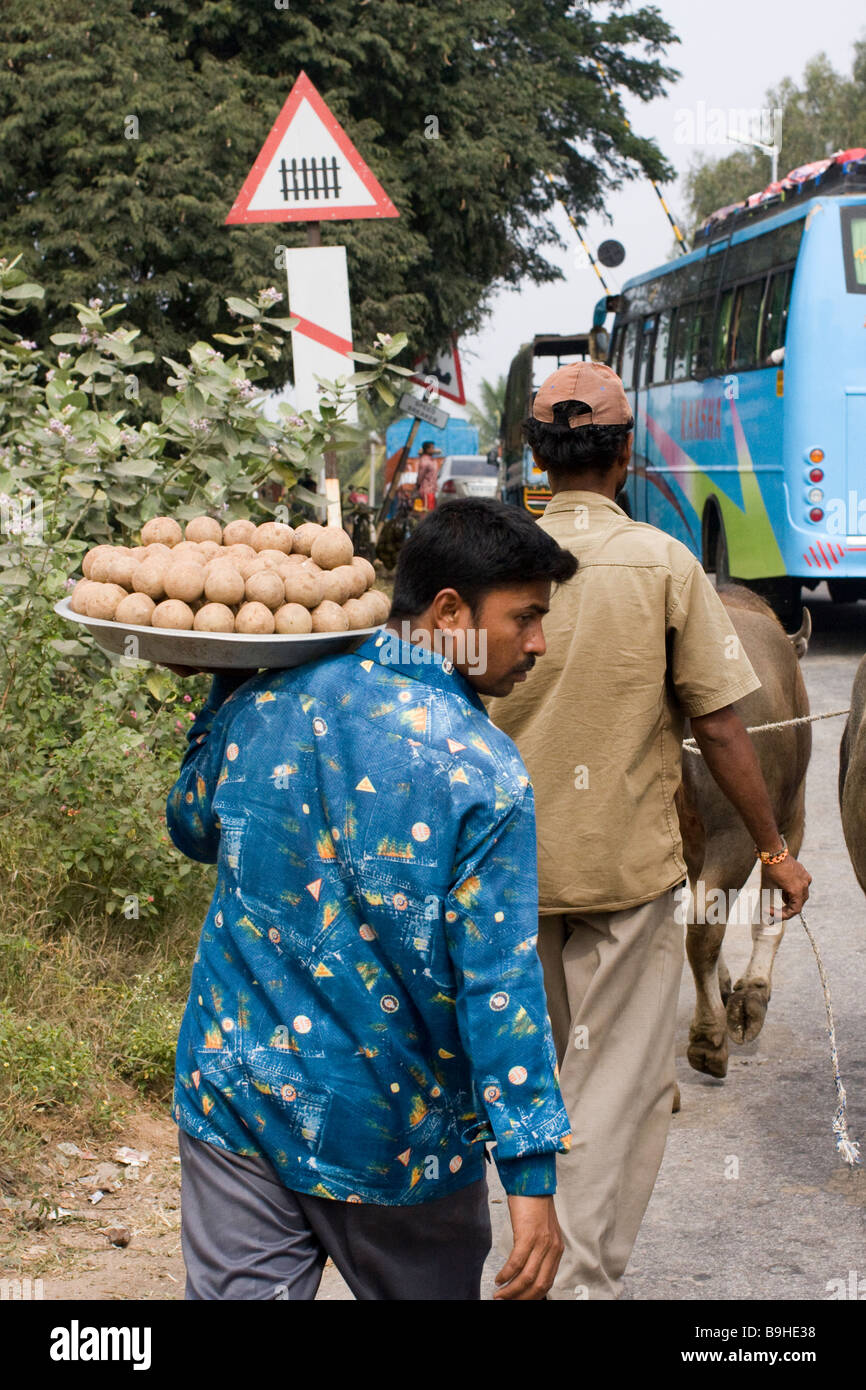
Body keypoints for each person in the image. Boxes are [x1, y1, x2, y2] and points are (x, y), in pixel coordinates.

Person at [165, 498, 577, 1301]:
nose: (538, 643)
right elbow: (499, 989)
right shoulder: (484, 773)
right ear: (449, 611)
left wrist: (224, 681)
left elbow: (191, 824)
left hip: (236, 1097)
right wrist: (529, 1178)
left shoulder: (267, 698)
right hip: (396, 1139)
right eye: (524, 617)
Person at [485, 361, 811, 1301]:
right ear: (626, 455)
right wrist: (777, 854)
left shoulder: (483, 561)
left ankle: (523, 1260)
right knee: (617, 1093)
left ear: (535, 458)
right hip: (623, 889)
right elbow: (719, 725)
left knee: (525, 1082)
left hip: (495, 881)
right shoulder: (666, 566)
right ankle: (571, 1281)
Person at [414, 440, 442, 510]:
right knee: (427, 512)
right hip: (426, 491)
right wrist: (418, 485)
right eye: (432, 448)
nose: (433, 450)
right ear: (427, 449)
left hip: (432, 491)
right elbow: (420, 476)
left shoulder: (431, 460)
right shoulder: (424, 461)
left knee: (431, 511)